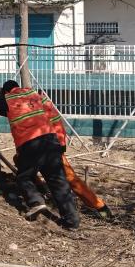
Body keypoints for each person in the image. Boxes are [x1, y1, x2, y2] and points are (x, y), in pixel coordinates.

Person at [0, 79, 79, 229]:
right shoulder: (35, 94)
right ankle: (72, 221)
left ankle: (36, 202)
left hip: (30, 144)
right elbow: (55, 117)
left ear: (6, 91)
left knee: (24, 176)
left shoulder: (7, 99)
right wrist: (61, 144)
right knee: (58, 181)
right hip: (51, 140)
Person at [38, 89, 113, 220]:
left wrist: (59, 146)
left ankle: (100, 207)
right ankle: (44, 192)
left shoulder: (36, 105)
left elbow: (55, 127)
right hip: (47, 146)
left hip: (51, 147)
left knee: (70, 178)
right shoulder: (40, 103)